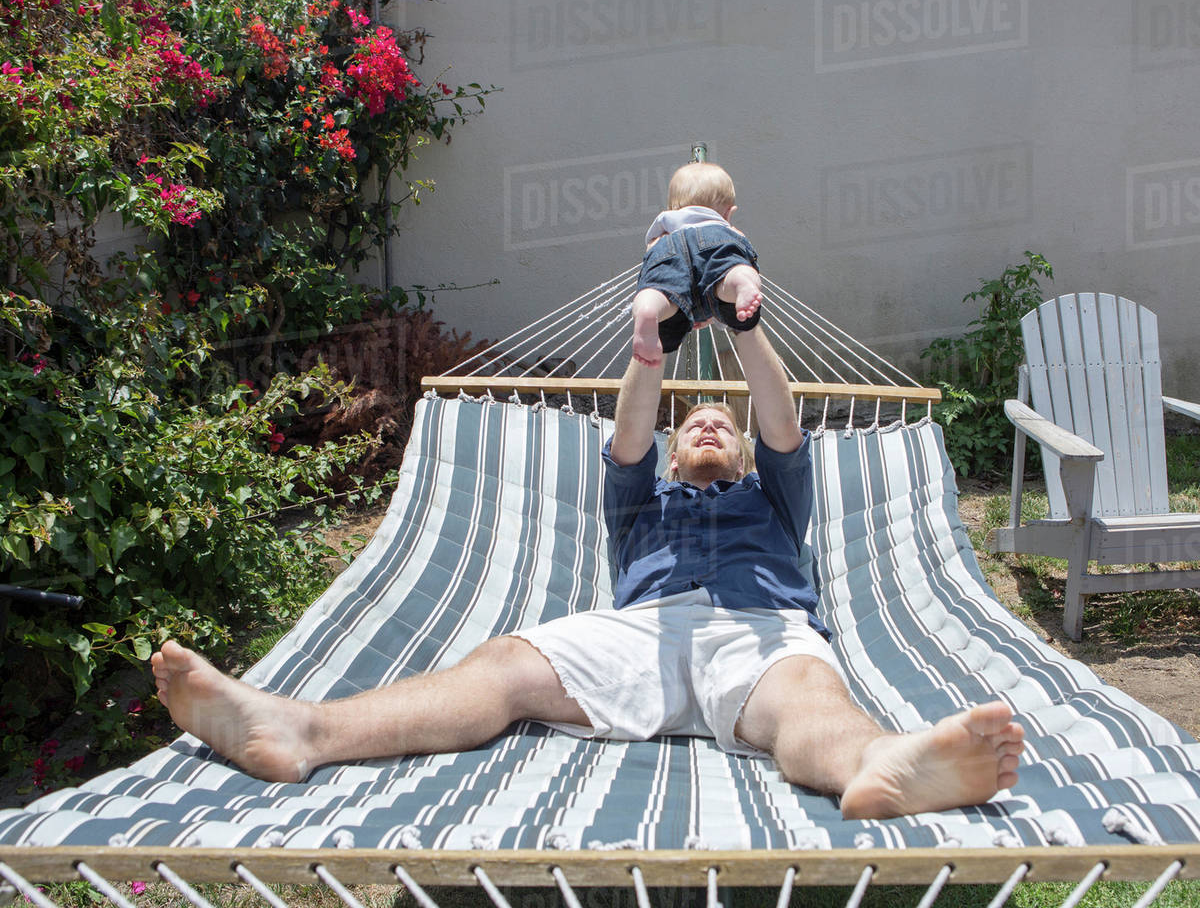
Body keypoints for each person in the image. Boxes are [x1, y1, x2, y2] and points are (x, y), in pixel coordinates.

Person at [151, 324, 1025, 819]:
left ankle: (885, 764)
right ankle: (299, 731)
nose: (710, 428)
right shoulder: (640, 503)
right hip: (638, 637)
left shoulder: (777, 496)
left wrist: (745, 320)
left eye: (724, 423)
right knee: (500, 667)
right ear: (674, 454)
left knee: (810, 701)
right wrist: (650, 345)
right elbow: (634, 432)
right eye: (696, 426)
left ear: (750, 453)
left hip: (764, 635)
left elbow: (782, 419)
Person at [631, 162, 763, 368]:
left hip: (668, 246)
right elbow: (721, 257)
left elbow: (652, 251)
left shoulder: (664, 223)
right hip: (716, 240)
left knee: (660, 290)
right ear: (729, 213)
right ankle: (741, 282)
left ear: (672, 207)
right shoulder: (724, 228)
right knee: (731, 270)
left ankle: (649, 308)